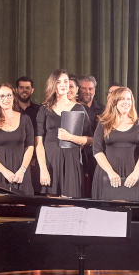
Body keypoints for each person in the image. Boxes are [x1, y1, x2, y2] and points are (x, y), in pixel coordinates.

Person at [35, 69, 92, 198]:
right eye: (58, 82)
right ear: (53, 85)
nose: (63, 84)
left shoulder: (79, 109)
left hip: (72, 162)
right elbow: (38, 143)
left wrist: (71, 138)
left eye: (65, 81)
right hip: (51, 162)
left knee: (70, 206)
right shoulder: (44, 109)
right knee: (52, 205)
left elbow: (90, 139)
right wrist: (43, 169)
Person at [92, 87, 139, 201]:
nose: (126, 102)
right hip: (107, 173)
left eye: (129, 99)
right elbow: (97, 149)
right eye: (122, 99)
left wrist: (136, 172)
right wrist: (110, 172)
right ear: (114, 101)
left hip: (132, 173)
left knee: (133, 212)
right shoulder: (104, 123)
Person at [0, 84, 35, 194]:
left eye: (9, 95)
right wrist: (5, 172)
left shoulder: (25, 119)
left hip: (21, 173)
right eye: (2, 96)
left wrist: (22, 170)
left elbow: (30, 146)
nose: (6, 99)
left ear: (14, 97)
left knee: (23, 207)